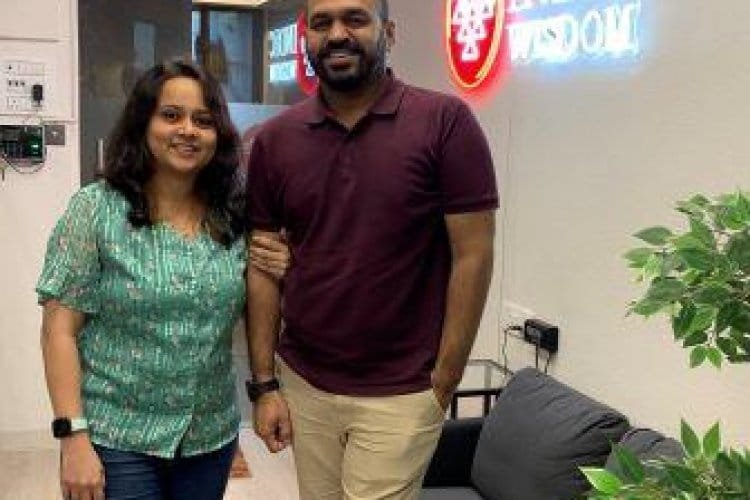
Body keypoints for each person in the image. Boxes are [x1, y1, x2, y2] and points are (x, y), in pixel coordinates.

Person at [245, 0, 498, 498]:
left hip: (403, 391)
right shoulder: (276, 140)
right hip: (305, 382)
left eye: (355, 19)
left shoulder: (444, 122)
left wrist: (445, 377)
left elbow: (474, 254)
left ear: (389, 32)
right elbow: (262, 265)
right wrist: (265, 383)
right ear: (306, 37)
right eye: (322, 23)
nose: (338, 34)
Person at [37, 61, 289, 500]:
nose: (188, 130)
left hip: (209, 438)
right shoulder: (96, 210)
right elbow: (59, 330)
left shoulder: (234, 216)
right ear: (143, 123)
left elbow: (260, 305)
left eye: (203, 120)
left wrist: (285, 265)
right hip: (117, 437)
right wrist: (72, 436)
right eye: (171, 115)